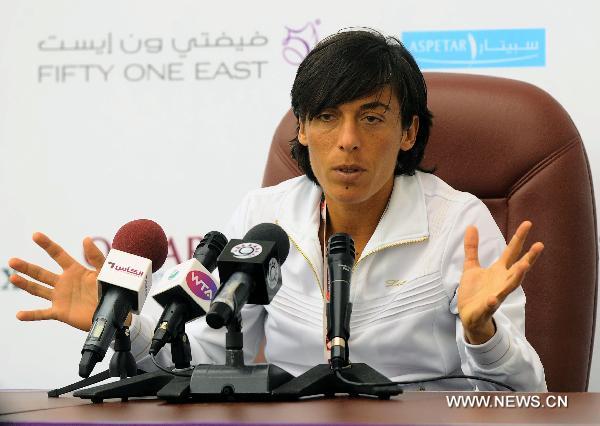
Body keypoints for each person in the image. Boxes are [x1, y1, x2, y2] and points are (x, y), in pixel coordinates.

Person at [9, 29, 546, 391]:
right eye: (328, 117)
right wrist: (125, 322)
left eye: (373, 117)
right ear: (302, 130)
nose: (348, 141)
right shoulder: (265, 216)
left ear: (409, 132)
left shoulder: (460, 223)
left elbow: (527, 391)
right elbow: (205, 356)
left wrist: (483, 335)